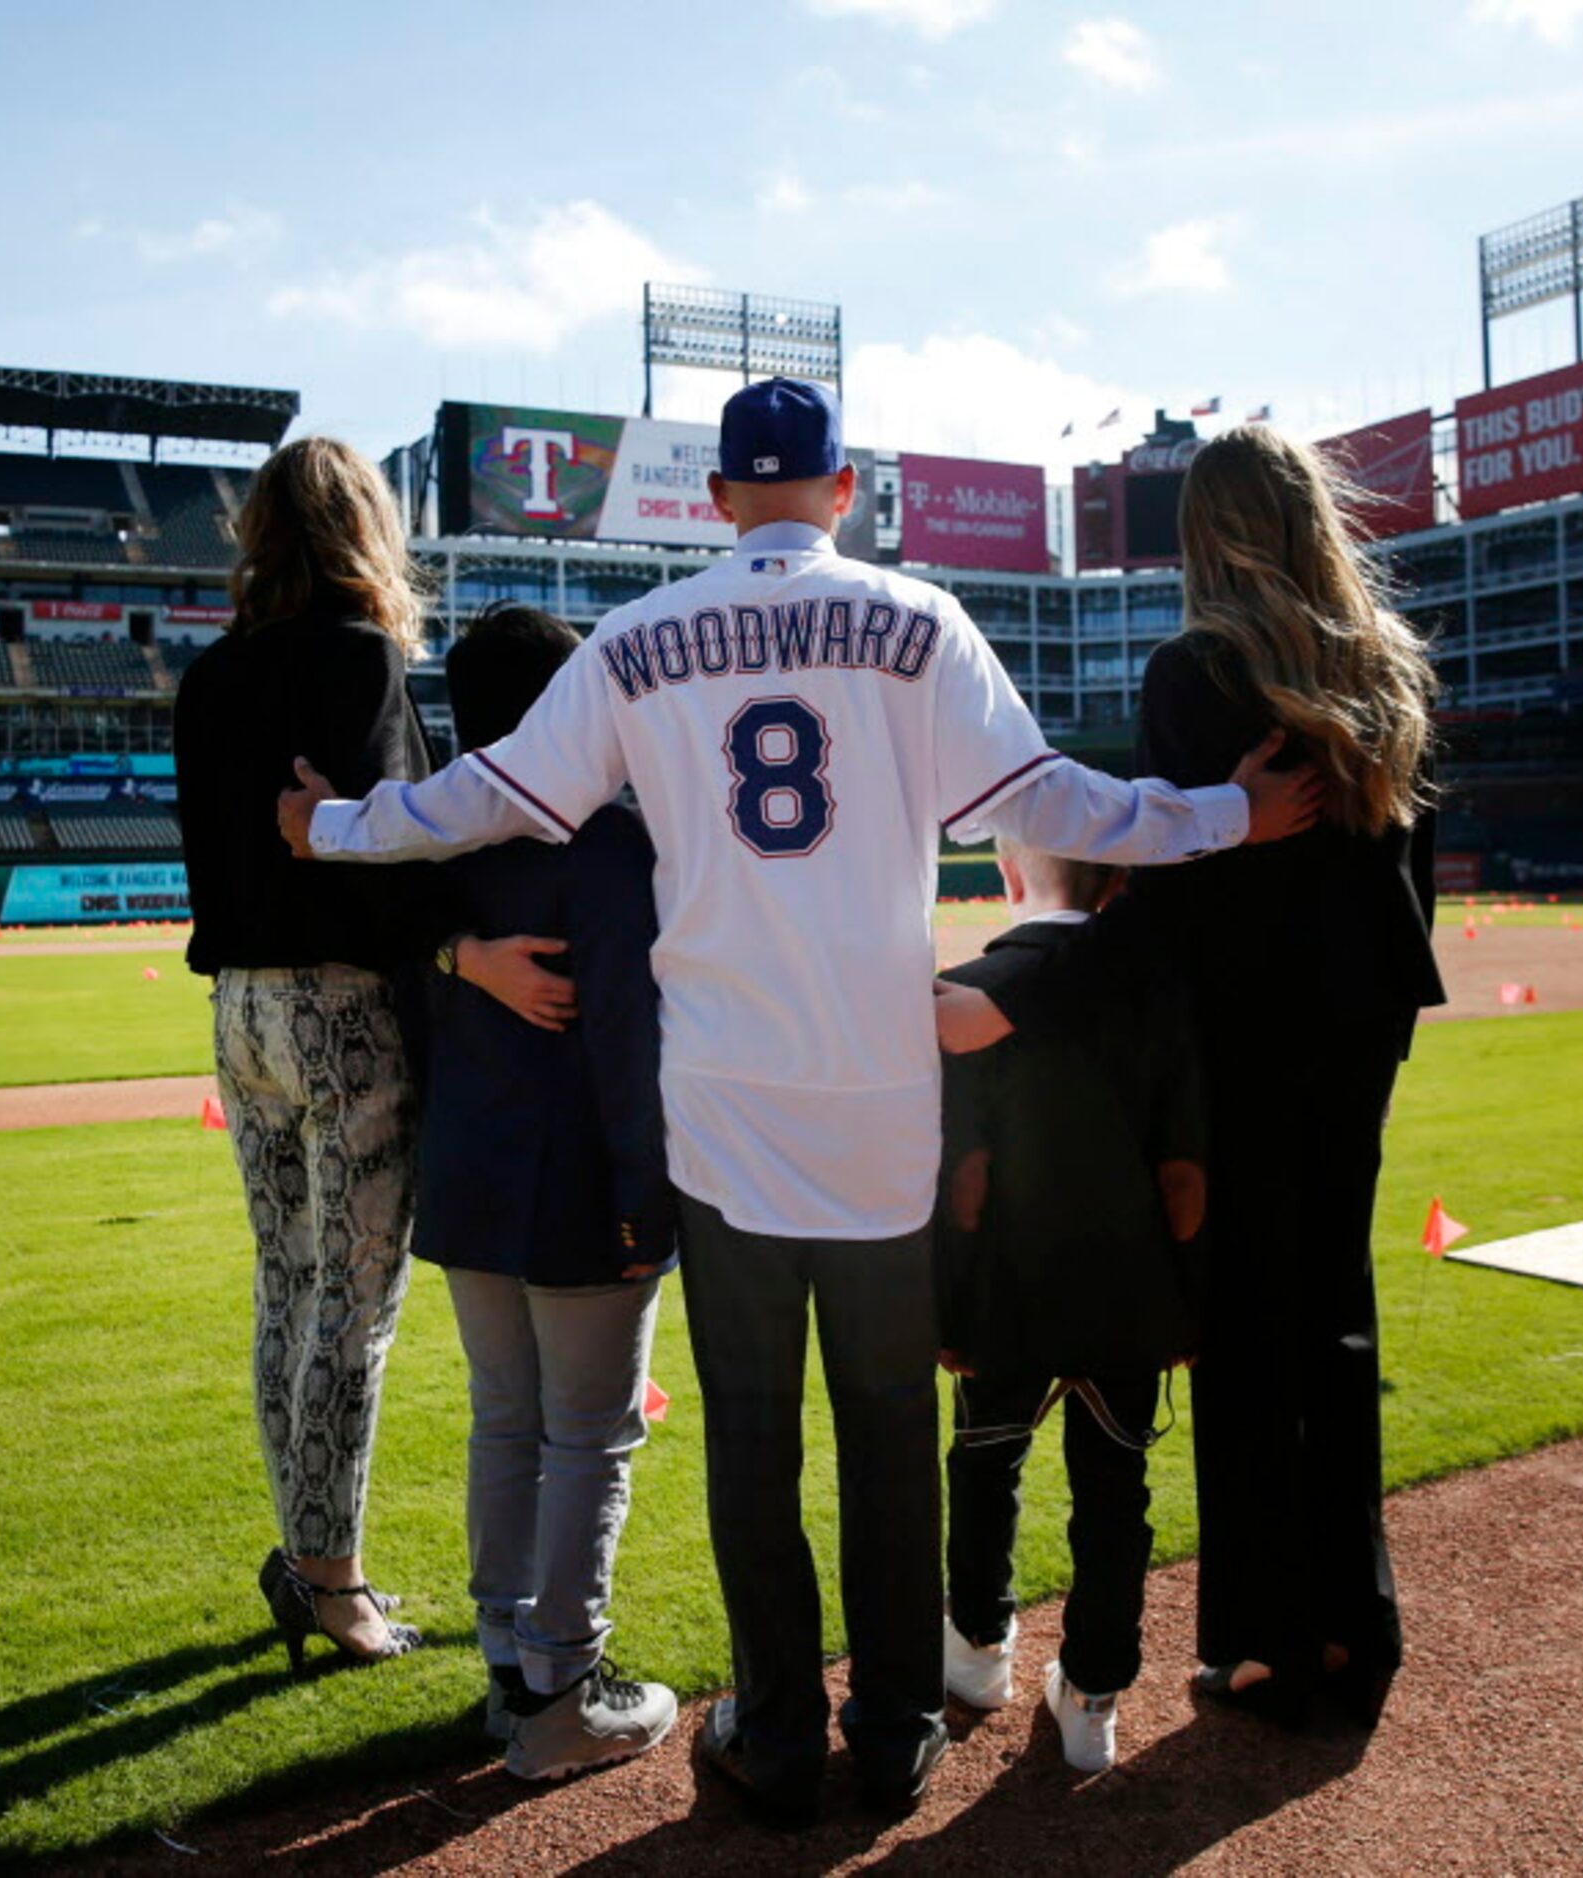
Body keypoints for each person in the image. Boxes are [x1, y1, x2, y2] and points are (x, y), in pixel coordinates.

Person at [275, 378, 1323, 1826]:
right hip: (882, 1106)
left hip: (724, 1111)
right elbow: (1061, 806)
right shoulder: (921, 621)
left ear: (716, 501)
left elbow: (484, 797)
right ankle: (891, 1729)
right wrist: (1226, 815)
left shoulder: (639, 640)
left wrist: (328, 824)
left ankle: (774, 1729)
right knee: (890, 1431)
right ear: (844, 492)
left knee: (753, 1438)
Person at [934, 422, 1444, 1730]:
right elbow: (1407, 881)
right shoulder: (1383, 665)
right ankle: (1355, 1620)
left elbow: (1162, 896)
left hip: (1247, 1038)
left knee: (1241, 1336)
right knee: (1337, 1312)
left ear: (1201, 535)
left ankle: (1267, 1636)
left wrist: (1020, 990)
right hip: (1363, 1024)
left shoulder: (1203, 669)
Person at [174, 434, 571, 1673]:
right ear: (365, 531)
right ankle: (332, 1579)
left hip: (241, 1012)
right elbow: (390, 852)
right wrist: (460, 950)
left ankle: (308, 1556)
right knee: (353, 1306)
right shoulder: (360, 660)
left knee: (287, 1291)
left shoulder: (207, 675)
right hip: (346, 1014)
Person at [412, 602, 681, 1779]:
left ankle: (506, 1669)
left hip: (468, 1171)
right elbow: (627, 1038)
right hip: (574, 1177)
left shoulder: (433, 840)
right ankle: (562, 1687)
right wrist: (650, 1197)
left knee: (506, 1422)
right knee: (585, 1434)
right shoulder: (610, 843)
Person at [933, 836, 1206, 1774]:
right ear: (1121, 881)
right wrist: (1189, 1308)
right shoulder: (1159, 994)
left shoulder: (965, 990)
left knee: (982, 1464)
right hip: (1129, 1300)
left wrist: (945, 1310)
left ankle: (976, 1654)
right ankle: (1093, 1695)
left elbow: (963, 1180)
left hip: (1006, 1294)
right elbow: (1184, 1180)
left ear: (1009, 876)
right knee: (1116, 1492)